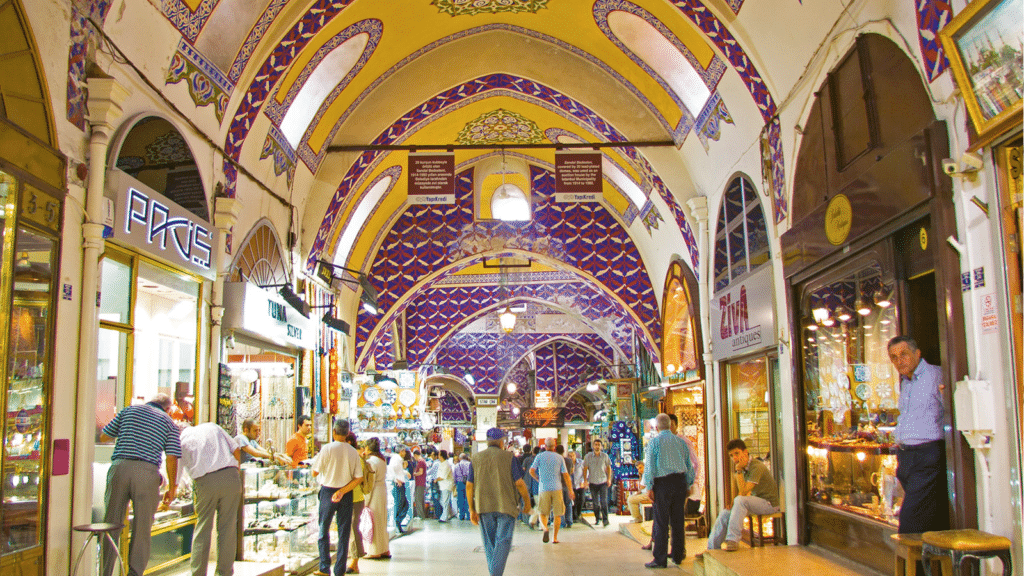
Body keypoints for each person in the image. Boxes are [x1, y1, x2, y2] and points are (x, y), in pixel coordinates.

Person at [98, 394, 182, 576]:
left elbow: (104, 436)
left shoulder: (128, 411)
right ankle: (135, 573)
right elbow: (172, 457)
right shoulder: (168, 422)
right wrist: (172, 488)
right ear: (168, 408)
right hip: (147, 472)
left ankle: (104, 572)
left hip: (119, 468)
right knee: (142, 527)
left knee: (110, 524)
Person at [889, 335, 950, 534]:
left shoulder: (936, 376)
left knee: (910, 521)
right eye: (894, 357)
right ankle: (930, 564)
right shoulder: (906, 382)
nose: (900, 361)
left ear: (917, 353)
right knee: (927, 517)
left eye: (904, 354)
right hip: (907, 457)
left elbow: (951, 411)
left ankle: (914, 565)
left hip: (927, 456)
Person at [178, 422, 241, 576]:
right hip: (230, 476)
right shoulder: (213, 427)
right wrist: (236, 470)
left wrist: (171, 489)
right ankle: (225, 572)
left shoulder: (179, 440)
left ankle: (198, 573)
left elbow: (177, 471)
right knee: (228, 528)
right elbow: (236, 449)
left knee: (203, 528)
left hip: (205, 482)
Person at [467, 428, 533, 576]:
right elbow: (520, 483)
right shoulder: (509, 458)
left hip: (484, 506)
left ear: (487, 441)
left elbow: (469, 486)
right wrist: (527, 502)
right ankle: (495, 574)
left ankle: (494, 573)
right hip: (506, 506)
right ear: (502, 441)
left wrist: (472, 509)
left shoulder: (476, 459)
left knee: (490, 544)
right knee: (503, 541)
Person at [641, 413, 694, 568]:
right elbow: (689, 466)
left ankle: (660, 558)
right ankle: (677, 555)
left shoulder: (654, 443)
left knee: (661, 521)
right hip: (679, 482)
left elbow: (650, 466)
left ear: (656, 427)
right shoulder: (681, 442)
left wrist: (649, 487)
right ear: (671, 425)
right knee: (678, 520)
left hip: (662, 484)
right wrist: (688, 484)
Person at [311, 419, 363, 576]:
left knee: (323, 530)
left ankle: (324, 567)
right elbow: (358, 478)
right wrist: (343, 491)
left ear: (334, 432)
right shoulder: (353, 452)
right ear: (347, 434)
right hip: (346, 494)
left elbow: (315, 472)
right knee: (344, 532)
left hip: (327, 492)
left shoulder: (327, 449)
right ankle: (339, 570)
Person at [707, 438, 778, 552]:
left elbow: (744, 492)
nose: (734, 458)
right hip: (755, 502)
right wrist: (733, 504)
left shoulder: (756, 466)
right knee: (725, 513)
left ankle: (732, 540)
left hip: (769, 504)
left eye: (737, 453)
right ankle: (711, 549)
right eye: (731, 455)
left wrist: (739, 471)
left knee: (740, 500)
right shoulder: (744, 468)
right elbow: (742, 494)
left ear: (745, 452)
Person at [529, 438, 573, 543]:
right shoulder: (559, 457)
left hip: (543, 488)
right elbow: (566, 475)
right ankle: (555, 538)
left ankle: (545, 528)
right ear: (554, 446)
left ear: (545, 445)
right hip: (557, 488)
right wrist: (571, 490)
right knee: (558, 514)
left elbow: (531, 470)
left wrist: (537, 478)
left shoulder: (539, 457)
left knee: (542, 513)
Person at [362, 438, 391, 560]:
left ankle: (374, 551)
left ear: (368, 448)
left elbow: (370, 482)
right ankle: (384, 549)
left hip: (374, 493)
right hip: (382, 491)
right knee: (381, 521)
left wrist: (365, 500)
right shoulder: (381, 459)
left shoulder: (371, 462)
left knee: (373, 522)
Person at [345, 433, 369, 574]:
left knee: (353, 529)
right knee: (351, 529)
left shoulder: (356, 458)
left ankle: (354, 560)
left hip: (355, 497)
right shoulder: (351, 457)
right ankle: (354, 559)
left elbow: (358, 478)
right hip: (349, 497)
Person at [583, 439, 613, 527]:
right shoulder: (588, 456)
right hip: (592, 482)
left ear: (601, 446)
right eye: (595, 444)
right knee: (595, 503)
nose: (597, 446)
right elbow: (585, 469)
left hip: (603, 481)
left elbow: (608, 468)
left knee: (604, 502)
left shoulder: (605, 456)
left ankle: (605, 520)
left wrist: (609, 479)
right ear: (593, 446)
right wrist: (585, 480)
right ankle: (597, 518)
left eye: (599, 445)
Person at [387, 446, 410, 532]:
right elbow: (390, 468)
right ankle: (397, 522)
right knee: (401, 505)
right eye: (404, 451)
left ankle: (398, 523)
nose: (405, 453)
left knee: (403, 505)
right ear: (401, 451)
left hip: (399, 484)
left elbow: (398, 470)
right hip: (398, 485)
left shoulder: (397, 459)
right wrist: (395, 479)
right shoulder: (396, 458)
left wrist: (405, 472)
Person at [556, 445, 573, 529]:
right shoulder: (569, 461)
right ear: (564, 451)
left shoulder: (556, 461)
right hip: (567, 485)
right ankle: (569, 521)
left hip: (558, 485)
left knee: (560, 504)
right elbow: (572, 471)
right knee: (568, 503)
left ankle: (562, 523)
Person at [436, 450, 455, 522]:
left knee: (445, 502)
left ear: (441, 456)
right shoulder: (442, 463)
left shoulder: (446, 464)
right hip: (443, 485)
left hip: (446, 485)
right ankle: (449, 514)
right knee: (443, 501)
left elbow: (443, 476)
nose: (438, 456)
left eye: (439, 455)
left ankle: (444, 517)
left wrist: (436, 480)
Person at [453, 452, 472, 520]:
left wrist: (455, 483)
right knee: (468, 499)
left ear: (460, 458)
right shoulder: (469, 464)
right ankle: (469, 515)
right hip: (468, 483)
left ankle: (461, 515)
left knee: (460, 499)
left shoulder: (457, 465)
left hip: (459, 483)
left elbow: (454, 476)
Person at [569, 450, 585, 522]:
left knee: (581, 499)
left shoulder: (581, 462)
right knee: (574, 501)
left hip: (580, 484)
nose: (572, 457)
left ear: (575, 456)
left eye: (573, 456)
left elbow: (585, 472)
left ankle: (578, 514)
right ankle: (574, 516)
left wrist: (583, 481)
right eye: (570, 456)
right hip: (572, 485)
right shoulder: (567, 463)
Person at [412, 449, 428, 519]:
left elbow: (421, 472)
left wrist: (414, 474)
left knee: (418, 499)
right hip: (421, 482)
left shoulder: (420, 461)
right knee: (421, 499)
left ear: (415, 455)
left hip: (420, 483)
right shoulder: (422, 461)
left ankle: (420, 515)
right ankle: (422, 515)